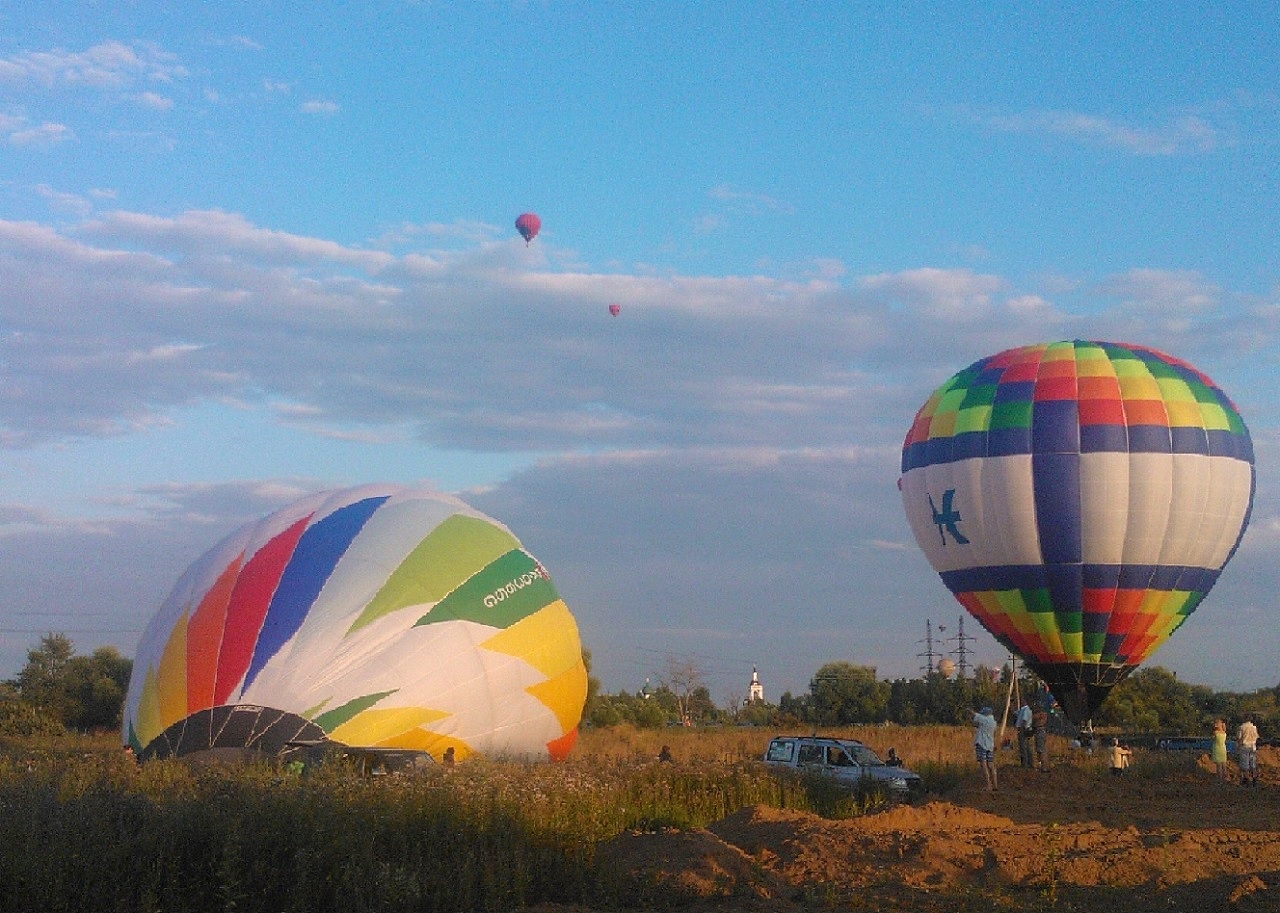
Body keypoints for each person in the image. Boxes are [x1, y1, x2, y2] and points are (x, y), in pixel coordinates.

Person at [972, 705, 998, 791]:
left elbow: (975, 715)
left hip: (982, 744)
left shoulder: (984, 720)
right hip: (990, 745)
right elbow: (977, 725)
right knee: (991, 764)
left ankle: (988, 785)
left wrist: (968, 710)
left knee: (983, 764)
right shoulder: (993, 723)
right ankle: (995, 784)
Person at [1237, 715, 1259, 786]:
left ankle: (1246, 780)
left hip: (1245, 746)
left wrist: (1238, 747)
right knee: (1253, 764)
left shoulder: (1242, 727)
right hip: (1253, 747)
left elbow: (1239, 738)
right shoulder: (1254, 727)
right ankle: (1254, 779)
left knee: (1245, 765)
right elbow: (1256, 737)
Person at [1015, 701, 1034, 768]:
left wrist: (1021, 730)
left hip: (1024, 729)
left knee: (1023, 747)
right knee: (1027, 746)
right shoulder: (1022, 709)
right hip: (1026, 729)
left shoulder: (1026, 710)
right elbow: (1015, 713)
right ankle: (1030, 762)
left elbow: (1024, 720)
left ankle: (1025, 764)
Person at [1032, 704, 1050, 771]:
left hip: (1039, 731)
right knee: (1042, 750)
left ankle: (1043, 767)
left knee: (1040, 750)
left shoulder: (1040, 715)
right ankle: (1044, 766)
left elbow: (1033, 717)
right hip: (1043, 731)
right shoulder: (1045, 715)